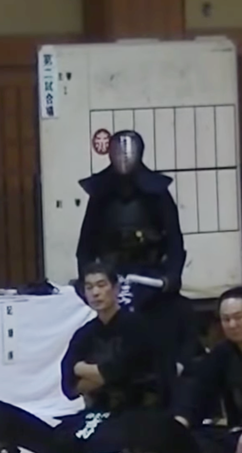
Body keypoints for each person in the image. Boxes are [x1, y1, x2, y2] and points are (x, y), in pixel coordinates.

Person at [0, 263, 172, 453]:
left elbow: (116, 372)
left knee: (78, 445)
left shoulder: (137, 326)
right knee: (4, 416)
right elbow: (70, 386)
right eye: (89, 287)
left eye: (101, 285)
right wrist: (97, 374)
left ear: (116, 288)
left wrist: (83, 369)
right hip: (96, 413)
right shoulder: (84, 334)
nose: (95, 292)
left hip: (136, 413)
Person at [76, 129, 200, 373]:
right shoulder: (100, 195)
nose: (123, 159)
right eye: (117, 153)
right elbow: (86, 245)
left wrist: (170, 277)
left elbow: (174, 241)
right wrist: (86, 280)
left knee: (171, 318)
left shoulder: (157, 194)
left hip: (149, 277)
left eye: (128, 153)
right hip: (113, 276)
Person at [174, 287, 242, 453]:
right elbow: (199, 391)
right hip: (239, 432)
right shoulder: (222, 353)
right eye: (226, 319)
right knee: (189, 440)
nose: (232, 325)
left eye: (238, 317)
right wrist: (180, 423)